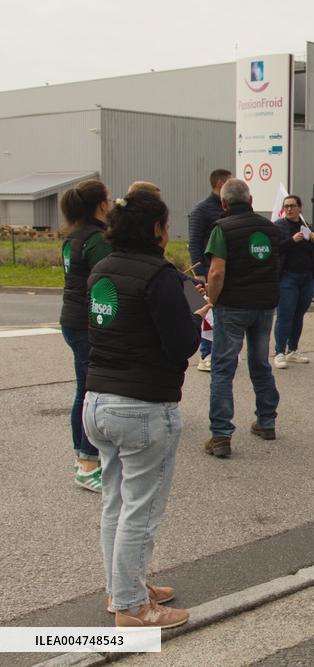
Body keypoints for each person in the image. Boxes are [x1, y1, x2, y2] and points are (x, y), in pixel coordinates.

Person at [82, 190, 209, 628]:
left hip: (97, 399)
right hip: (143, 405)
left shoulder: (102, 269)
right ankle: (134, 609)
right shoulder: (161, 276)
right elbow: (184, 343)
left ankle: (122, 587)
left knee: (115, 503)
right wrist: (197, 312)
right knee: (141, 509)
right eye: (166, 225)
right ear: (156, 229)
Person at [203, 179, 281, 458]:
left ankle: (221, 435)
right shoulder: (271, 229)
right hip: (264, 305)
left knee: (223, 368)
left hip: (232, 306)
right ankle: (266, 421)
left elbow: (216, 272)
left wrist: (212, 300)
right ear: (250, 200)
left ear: (224, 203)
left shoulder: (221, 229)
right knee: (260, 362)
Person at [58, 179, 114, 492]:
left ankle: (84, 458)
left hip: (72, 320)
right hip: (88, 322)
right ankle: (87, 462)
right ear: (101, 205)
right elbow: (108, 280)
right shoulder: (96, 239)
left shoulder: (73, 235)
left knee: (84, 389)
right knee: (90, 393)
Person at [187, 169, 231, 372]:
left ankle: (220, 352)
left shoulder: (228, 208)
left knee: (221, 314)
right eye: (230, 182)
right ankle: (205, 355)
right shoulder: (202, 210)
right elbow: (194, 242)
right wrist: (199, 274)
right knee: (208, 313)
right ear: (220, 184)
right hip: (206, 269)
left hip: (225, 269)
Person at [273, 194, 314, 369]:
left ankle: (293, 349)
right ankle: (279, 351)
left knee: (299, 314)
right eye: (286, 206)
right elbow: (275, 249)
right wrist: (291, 241)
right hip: (288, 276)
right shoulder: (278, 227)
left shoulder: (306, 226)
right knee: (285, 314)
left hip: (307, 276)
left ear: (300, 207)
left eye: (293, 206)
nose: (289, 209)